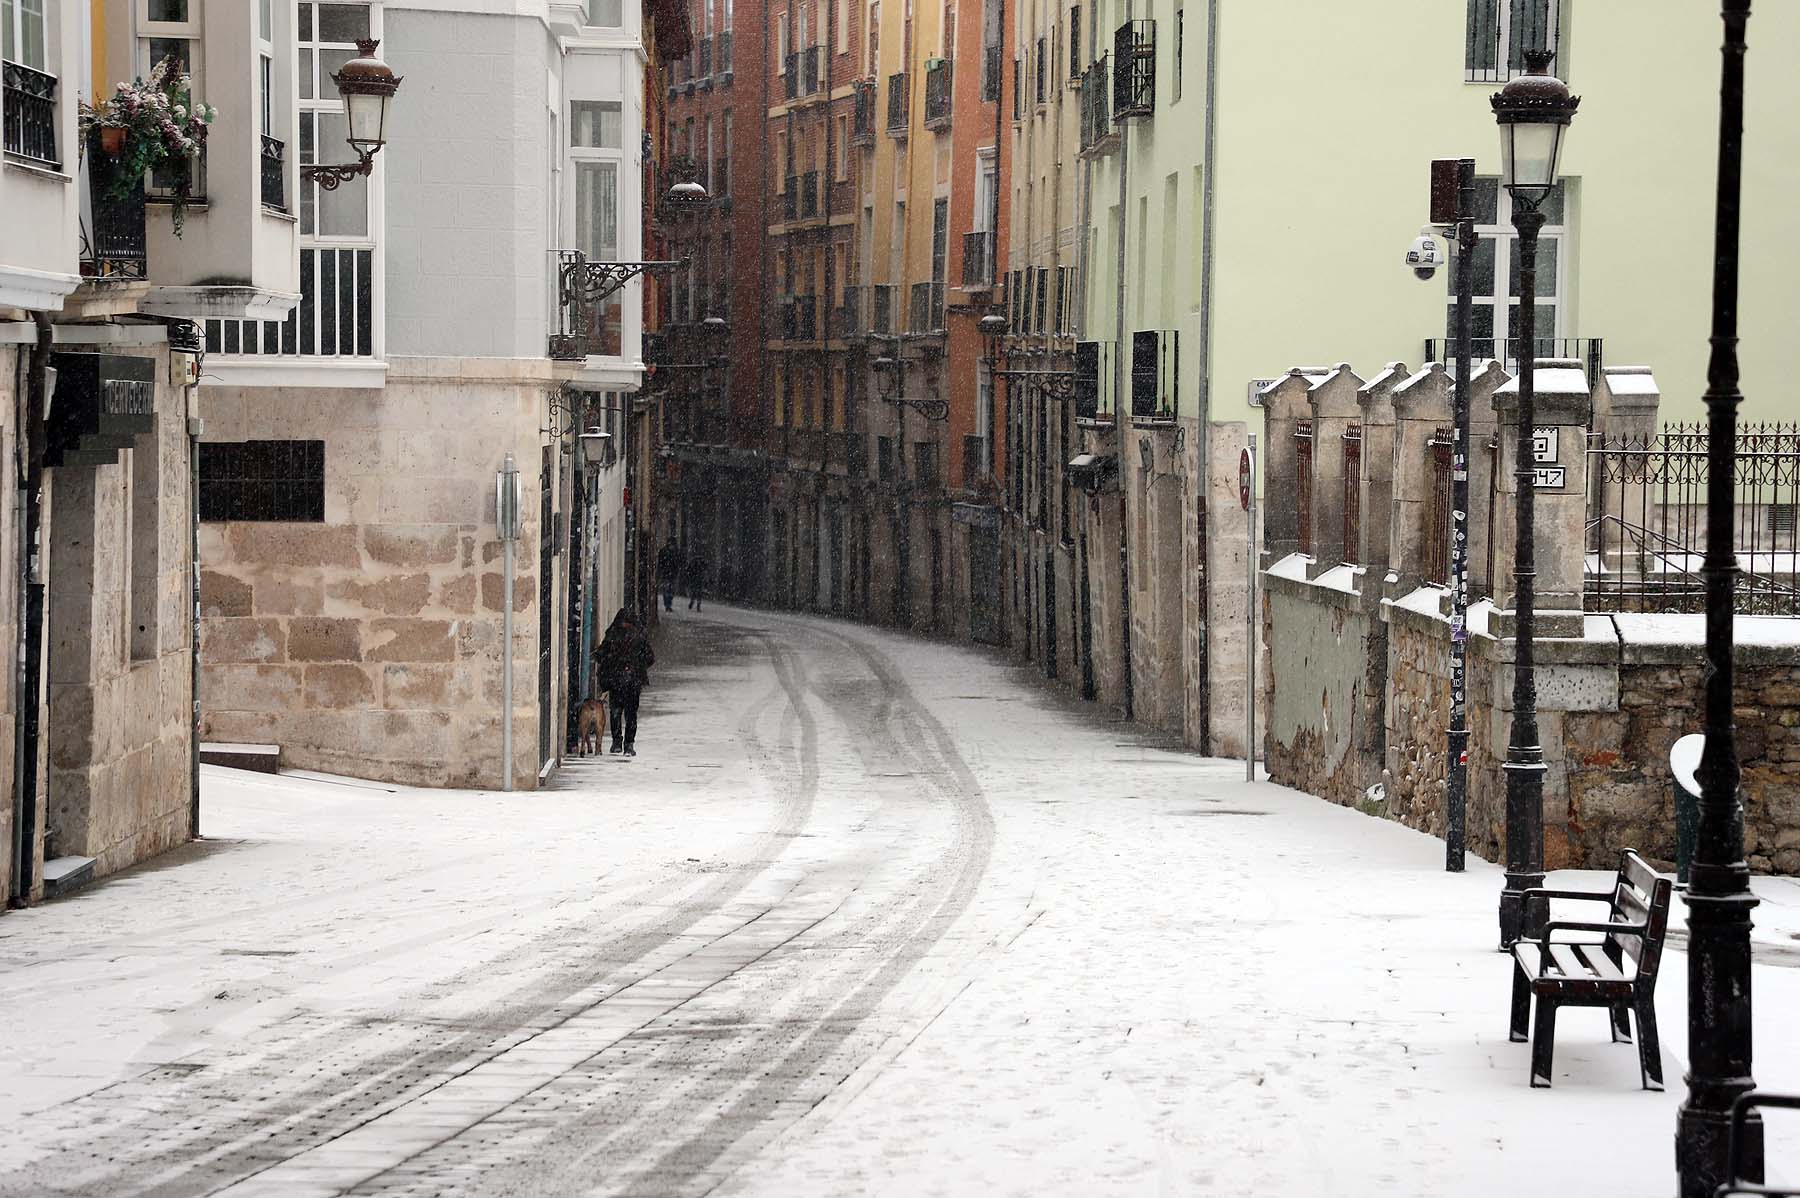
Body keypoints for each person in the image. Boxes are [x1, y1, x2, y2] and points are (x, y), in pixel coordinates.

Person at [592, 608, 655, 756]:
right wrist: (637, 666)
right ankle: (628, 744)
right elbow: (650, 658)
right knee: (631, 713)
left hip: (616, 679)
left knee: (616, 711)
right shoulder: (639, 636)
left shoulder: (613, 634)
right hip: (633, 680)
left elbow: (602, 654)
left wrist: (606, 660)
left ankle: (617, 742)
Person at [656, 537, 682, 612]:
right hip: (667, 573)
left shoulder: (674, 552)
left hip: (671, 573)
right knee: (668, 589)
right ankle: (667, 605)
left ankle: (668, 604)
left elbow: (678, 562)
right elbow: (661, 563)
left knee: (670, 590)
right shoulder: (666, 551)